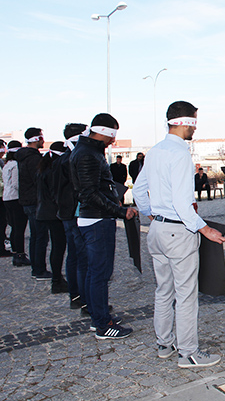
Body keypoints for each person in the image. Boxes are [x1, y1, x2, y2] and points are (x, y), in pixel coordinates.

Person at [133, 100, 225, 368]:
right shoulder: (180, 154)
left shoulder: (154, 152)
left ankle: (164, 344)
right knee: (185, 295)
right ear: (185, 122)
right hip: (178, 231)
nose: (195, 128)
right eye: (194, 122)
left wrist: (151, 214)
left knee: (163, 290)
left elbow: (138, 190)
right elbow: (182, 203)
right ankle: (188, 353)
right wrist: (205, 229)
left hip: (157, 230)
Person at [70, 113, 138, 340]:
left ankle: (98, 317)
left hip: (94, 219)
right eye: (112, 136)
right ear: (104, 133)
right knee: (99, 274)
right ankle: (102, 325)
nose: (113, 141)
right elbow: (89, 193)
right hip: (97, 221)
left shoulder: (87, 150)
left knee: (94, 273)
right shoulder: (88, 154)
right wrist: (120, 211)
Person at [54, 123, 90, 310]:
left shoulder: (62, 158)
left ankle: (76, 296)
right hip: (75, 213)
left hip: (67, 212)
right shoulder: (72, 159)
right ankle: (84, 300)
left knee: (74, 255)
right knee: (82, 257)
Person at [16, 128, 51, 279]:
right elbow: (39, 180)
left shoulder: (24, 157)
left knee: (35, 236)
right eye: (41, 138)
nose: (43, 141)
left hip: (28, 201)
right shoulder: (34, 159)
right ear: (36, 139)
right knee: (40, 237)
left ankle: (36, 269)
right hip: (36, 201)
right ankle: (39, 270)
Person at [35, 142, 68, 294]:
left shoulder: (43, 169)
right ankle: (56, 280)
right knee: (58, 247)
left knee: (55, 246)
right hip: (54, 213)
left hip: (44, 211)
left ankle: (57, 278)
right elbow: (56, 194)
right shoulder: (53, 171)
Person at [3, 141, 30, 265]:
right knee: (19, 228)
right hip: (15, 198)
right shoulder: (15, 165)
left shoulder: (7, 164)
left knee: (14, 227)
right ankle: (20, 254)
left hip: (7, 197)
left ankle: (16, 253)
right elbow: (16, 183)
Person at [0, 140, 9, 257]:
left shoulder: (1, 162)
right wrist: (7, 184)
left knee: (3, 223)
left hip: (3, 195)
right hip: (1, 194)